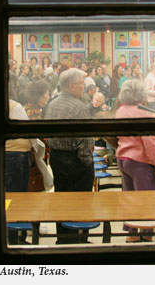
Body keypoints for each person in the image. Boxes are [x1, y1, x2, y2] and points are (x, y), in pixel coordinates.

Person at [44, 68, 94, 244]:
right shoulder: (79, 108)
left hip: (57, 158)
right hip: (76, 161)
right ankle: (79, 239)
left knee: (62, 198)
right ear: (71, 86)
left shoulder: (52, 103)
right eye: (81, 84)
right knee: (81, 202)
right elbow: (86, 141)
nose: (84, 87)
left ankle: (63, 238)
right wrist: (87, 163)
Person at [116, 80, 155, 242]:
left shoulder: (121, 111)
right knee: (146, 199)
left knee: (130, 198)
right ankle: (146, 234)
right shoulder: (141, 112)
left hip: (123, 158)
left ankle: (131, 234)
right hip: (139, 160)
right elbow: (149, 140)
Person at [5, 99, 39, 244]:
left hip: (3, 153)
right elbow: (27, 132)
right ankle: (16, 236)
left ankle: (8, 234)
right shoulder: (15, 106)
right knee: (18, 197)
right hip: (17, 155)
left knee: (6, 196)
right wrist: (37, 151)